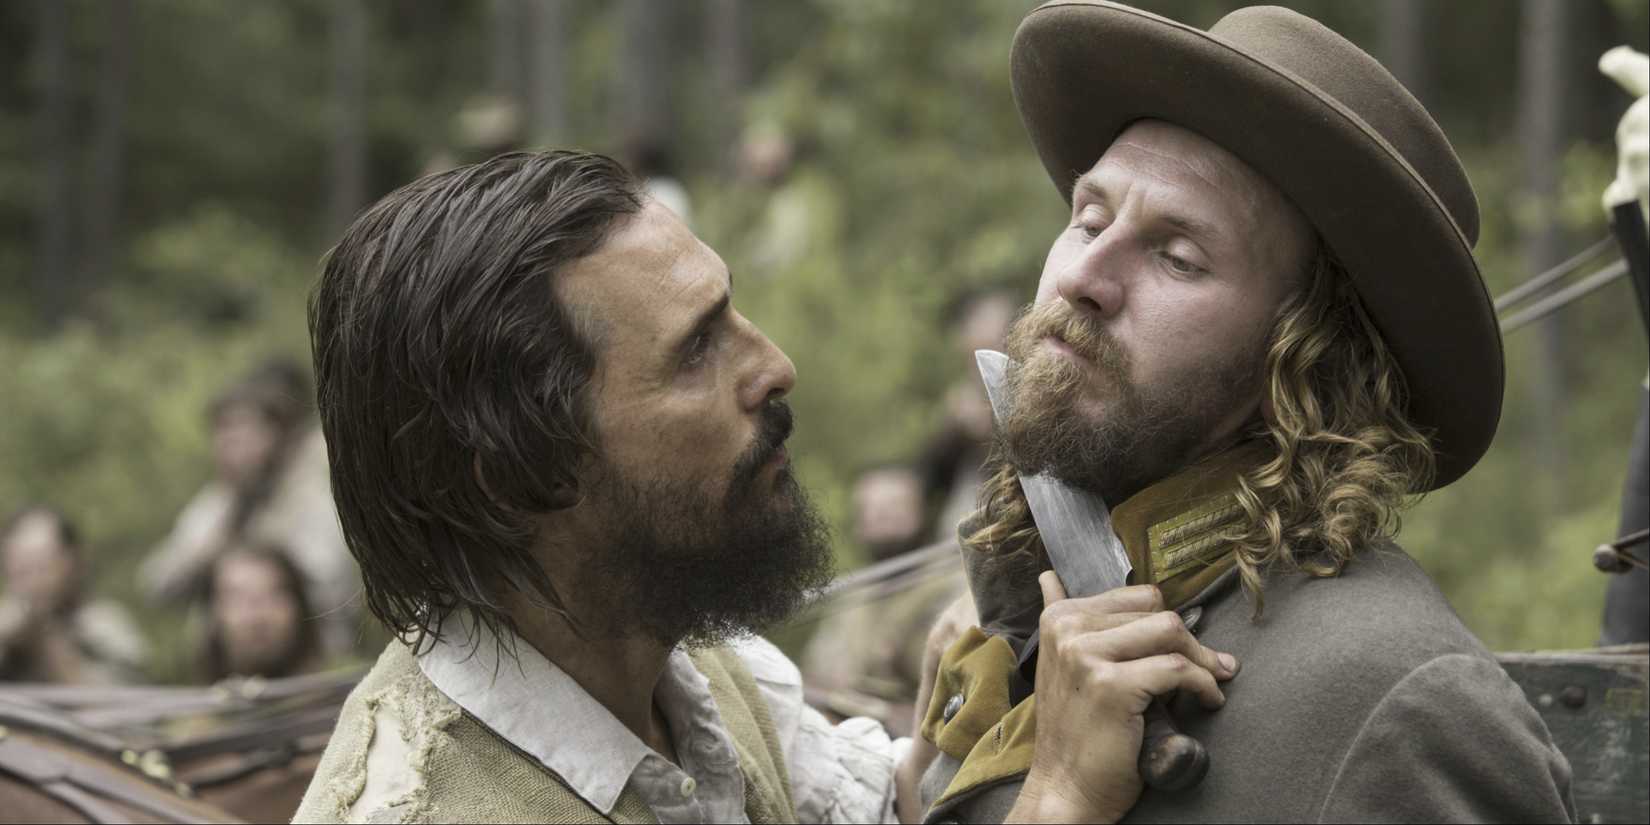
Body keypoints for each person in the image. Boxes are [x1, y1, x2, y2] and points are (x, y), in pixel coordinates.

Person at [294, 151, 1240, 823]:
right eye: (696, 349)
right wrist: (1062, 801)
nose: (775, 365)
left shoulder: (687, 666)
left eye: (730, 309)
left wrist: (975, 694)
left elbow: (880, 806)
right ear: (513, 472)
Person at [915, 3, 1576, 822]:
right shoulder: (1030, 616)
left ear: (1302, 360)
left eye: (1178, 256)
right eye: (1089, 217)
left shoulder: (1399, 710)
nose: (1086, 271)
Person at [140, 360, 361, 653]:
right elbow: (156, 583)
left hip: (308, 667)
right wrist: (215, 547)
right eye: (225, 434)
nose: (233, 447)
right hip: (227, 672)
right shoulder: (216, 505)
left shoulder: (315, 499)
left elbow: (328, 590)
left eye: (246, 433)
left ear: (277, 437)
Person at [0, 506, 147, 684]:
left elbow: (121, 701)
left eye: (42, 566)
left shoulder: (105, 626)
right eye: (22, 568)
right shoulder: (6, 622)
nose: (34, 580)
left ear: (71, 562)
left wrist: (45, 645)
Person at [199, 543, 326, 683]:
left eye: (273, 595)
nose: (257, 617)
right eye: (237, 597)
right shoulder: (187, 702)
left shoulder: (344, 698)